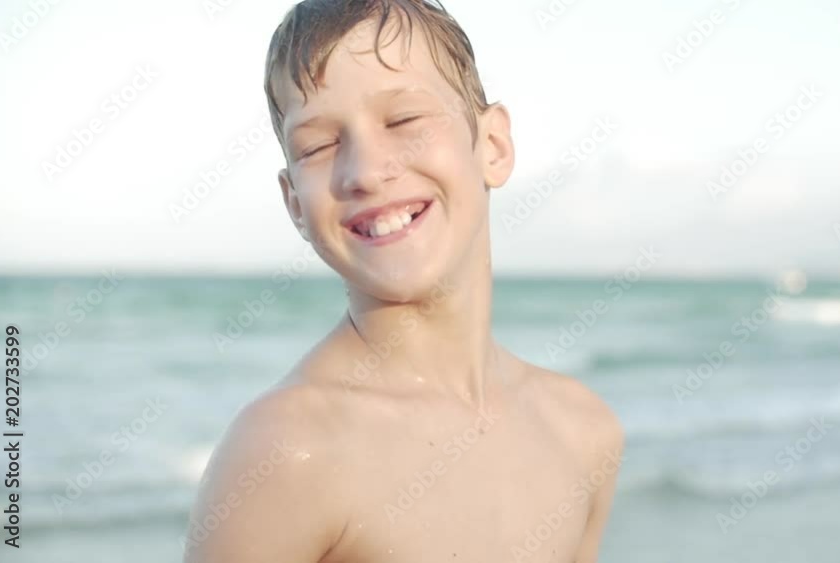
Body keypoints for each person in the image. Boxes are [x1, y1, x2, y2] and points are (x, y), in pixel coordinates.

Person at [184, 1, 624, 561]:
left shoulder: (583, 434)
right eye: (318, 147)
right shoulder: (287, 451)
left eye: (403, 120)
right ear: (295, 204)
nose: (365, 171)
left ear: (492, 147)